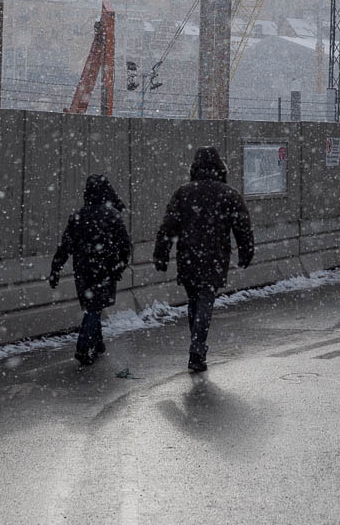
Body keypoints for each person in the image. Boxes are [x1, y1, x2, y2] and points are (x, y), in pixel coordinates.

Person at [153, 146, 254, 373]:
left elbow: (168, 227)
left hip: (188, 256)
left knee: (194, 300)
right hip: (216, 256)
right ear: (220, 168)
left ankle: (197, 344)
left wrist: (161, 254)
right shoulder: (229, 194)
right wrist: (246, 251)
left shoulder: (183, 193)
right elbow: (242, 228)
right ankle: (197, 347)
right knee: (206, 299)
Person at [49, 173, 132, 365]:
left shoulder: (78, 216)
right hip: (105, 268)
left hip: (83, 269)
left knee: (92, 305)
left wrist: (56, 269)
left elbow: (66, 245)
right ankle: (84, 347)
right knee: (95, 307)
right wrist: (120, 265)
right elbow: (125, 245)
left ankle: (98, 344)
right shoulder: (112, 215)